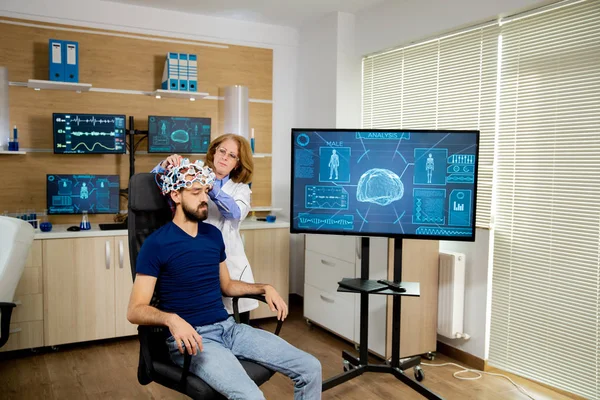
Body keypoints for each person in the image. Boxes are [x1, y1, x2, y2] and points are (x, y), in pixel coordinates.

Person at [128, 160, 322, 400]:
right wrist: (172, 320)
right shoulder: (156, 244)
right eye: (195, 191)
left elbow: (227, 285)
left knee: (311, 367)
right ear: (176, 195)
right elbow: (135, 310)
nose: (204, 198)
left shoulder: (212, 235)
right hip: (195, 340)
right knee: (252, 397)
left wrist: (265, 287)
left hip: (229, 328)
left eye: (206, 191)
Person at [152, 134, 257, 324]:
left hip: (230, 267)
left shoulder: (241, 189)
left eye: (232, 155)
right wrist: (165, 165)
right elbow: (154, 183)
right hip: (194, 261)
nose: (225, 157)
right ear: (214, 151)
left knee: (237, 329)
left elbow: (234, 212)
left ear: (238, 164)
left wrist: (211, 185)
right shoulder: (192, 175)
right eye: (222, 151)